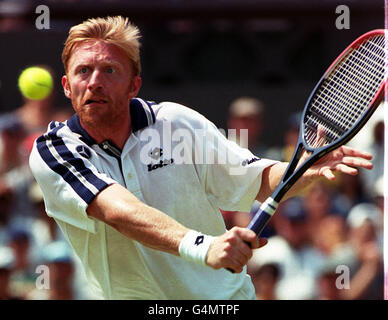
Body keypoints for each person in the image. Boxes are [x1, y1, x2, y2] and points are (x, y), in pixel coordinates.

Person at [29, 16, 373, 300]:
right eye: (83, 71)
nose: (94, 82)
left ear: (134, 85)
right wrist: (204, 247)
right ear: (66, 85)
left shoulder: (177, 123)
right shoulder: (54, 150)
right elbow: (118, 210)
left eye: (110, 71)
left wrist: (302, 171)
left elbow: (255, 179)